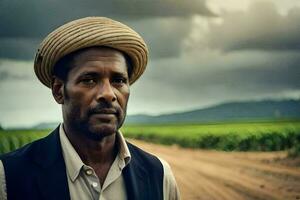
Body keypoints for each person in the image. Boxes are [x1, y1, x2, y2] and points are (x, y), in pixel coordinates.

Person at [0, 17, 180, 200]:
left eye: (118, 80)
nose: (109, 94)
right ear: (58, 90)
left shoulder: (159, 176)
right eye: (89, 80)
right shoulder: (8, 177)